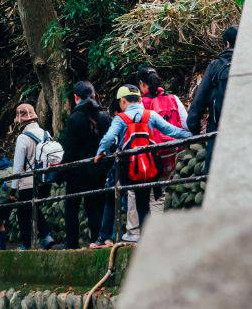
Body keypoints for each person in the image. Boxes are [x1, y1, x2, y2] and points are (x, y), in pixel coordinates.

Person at [91, 85, 192, 248]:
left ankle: (104, 238)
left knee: (111, 198)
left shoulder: (121, 118)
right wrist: (192, 135)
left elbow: (109, 138)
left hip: (124, 169)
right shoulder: (150, 115)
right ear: (139, 99)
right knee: (143, 204)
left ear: (123, 101)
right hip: (147, 167)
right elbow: (171, 131)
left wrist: (100, 152)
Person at [122, 67, 189, 243]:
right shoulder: (173, 99)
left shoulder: (140, 106)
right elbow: (186, 124)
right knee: (159, 195)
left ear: (142, 85)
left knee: (135, 192)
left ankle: (134, 232)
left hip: (148, 156)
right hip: (170, 154)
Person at [56, 82, 111, 250]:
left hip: (77, 172)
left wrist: (60, 172)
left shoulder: (75, 118)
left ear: (76, 97)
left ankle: (72, 243)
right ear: (94, 95)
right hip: (99, 169)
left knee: (71, 206)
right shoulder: (105, 116)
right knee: (95, 205)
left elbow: (70, 150)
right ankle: (97, 239)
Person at [186, 25, 238, 173]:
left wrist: (194, 127)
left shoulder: (216, 66)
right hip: (245, 131)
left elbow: (199, 101)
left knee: (214, 175)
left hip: (218, 132)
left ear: (227, 43)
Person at [11, 103, 55, 250]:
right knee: (34, 208)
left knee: (23, 212)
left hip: (27, 182)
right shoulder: (46, 133)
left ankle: (27, 245)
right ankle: (46, 236)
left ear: (20, 120)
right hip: (44, 180)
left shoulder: (23, 138)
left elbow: (17, 166)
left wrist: (13, 187)